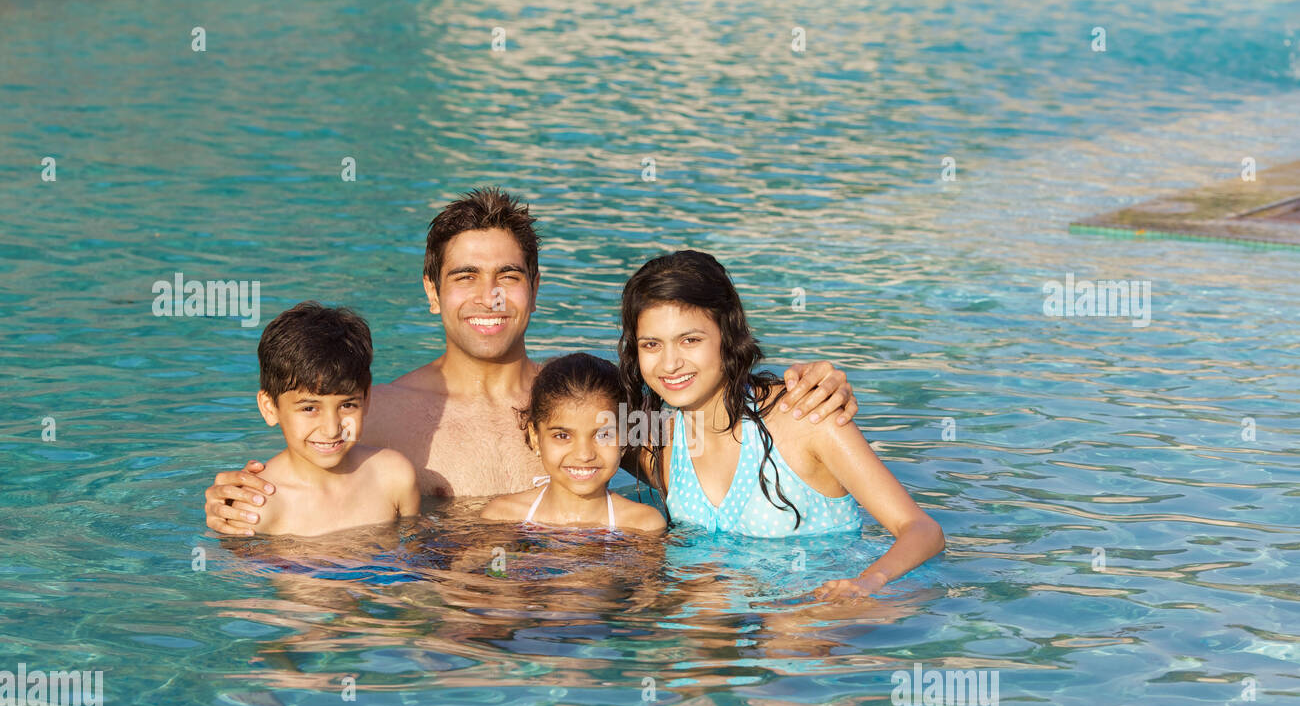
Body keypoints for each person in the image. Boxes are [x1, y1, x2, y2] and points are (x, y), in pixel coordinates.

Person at [203, 187, 860, 535]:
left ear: (535, 287)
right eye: (464, 277)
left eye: (508, 275)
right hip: (446, 632)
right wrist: (233, 496)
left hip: (588, 624)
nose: (488, 297)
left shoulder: (586, 403)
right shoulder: (379, 418)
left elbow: (708, 446)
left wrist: (797, 389)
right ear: (432, 292)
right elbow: (304, 465)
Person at [619, 250, 945, 598]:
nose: (670, 363)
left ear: (728, 333)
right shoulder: (659, 440)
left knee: (781, 630)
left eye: (690, 340)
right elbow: (562, 401)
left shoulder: (806, 415)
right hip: (726, 613)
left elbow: (923, 531)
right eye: (651, 344)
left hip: (833, 606)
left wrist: (868, 583)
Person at [248, 302, 420, 536]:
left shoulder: (393, 478)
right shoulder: (260, 507)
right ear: (270, 408)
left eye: (347, 405)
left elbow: (417, 559)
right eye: (309, 408)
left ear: (366, 398)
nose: (331, 429)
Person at [481, 352, 665, 533]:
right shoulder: (502, 516)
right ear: (535, 437)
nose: (584, 455)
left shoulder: (643, 526)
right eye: (563, 436)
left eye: (602, 435)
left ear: (624, 437)